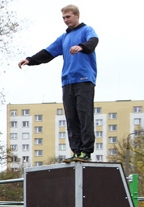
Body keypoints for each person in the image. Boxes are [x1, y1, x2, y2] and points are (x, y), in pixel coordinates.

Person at [18, 4, 98, 163]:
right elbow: (48, 52)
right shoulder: (64, 38)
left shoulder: (86, 30)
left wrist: (81, 47)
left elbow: (93, 42)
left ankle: (86, 151)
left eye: (68, 17)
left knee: (84, 114)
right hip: (67, 81)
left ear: (76, 15)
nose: (65, 20)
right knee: (71, 117)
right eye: (63, 18)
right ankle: (76, 151)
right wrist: (30, 60)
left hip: (84, 79)